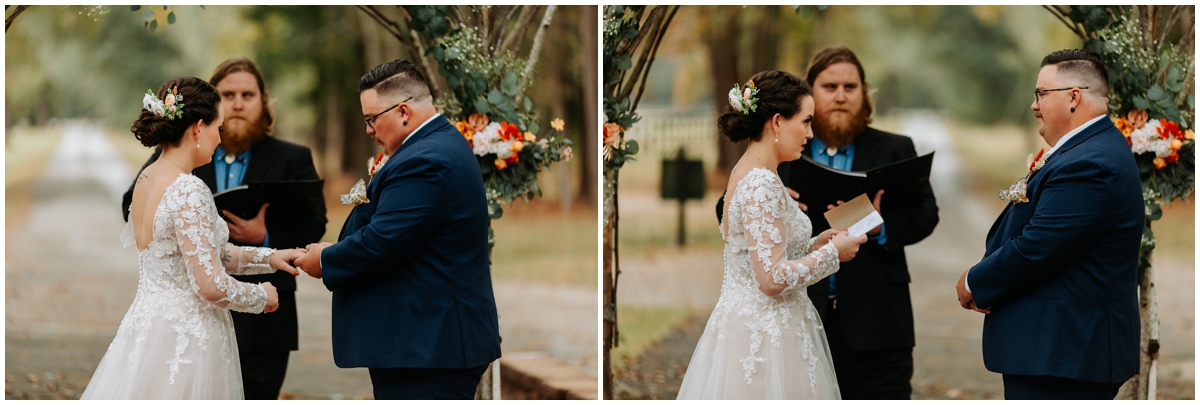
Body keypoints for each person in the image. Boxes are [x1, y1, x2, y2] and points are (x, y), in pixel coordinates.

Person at [82, 77, 306, 399]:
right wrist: (262, 298)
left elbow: (202, 253)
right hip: (186, 337)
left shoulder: (148, 178)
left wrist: (268, 257)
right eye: (218, 128)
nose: (219, 139)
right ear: (199, 127)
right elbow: (210, 284)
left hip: (148, 327)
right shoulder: (188, 188)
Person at [291, 60, 501, 400]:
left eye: (371, 119)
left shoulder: (426, 160)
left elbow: (383, 242)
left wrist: (326, 259)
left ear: (403, 111)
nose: (368, 130)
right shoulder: (434, 145)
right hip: (423, 344)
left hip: (429, 348)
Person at [955, 49, 1142, 400]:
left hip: (1065, 354)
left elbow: (1038, 247)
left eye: (1041, 94)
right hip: (1059, 351)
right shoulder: (1090, 150)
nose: (1033, 105)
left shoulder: (1090, 163)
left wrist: (974, 281)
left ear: (1074, 97)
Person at [677, 70, 867, 400]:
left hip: (759, 323)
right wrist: (834, 254)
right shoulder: (761, 183)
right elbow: (771, 278)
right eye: (805, 122)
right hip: (764, 335)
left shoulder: (752, 172)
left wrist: (815, 243)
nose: (810, 133)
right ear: (777, 122)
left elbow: (763, 255)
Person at [784, 46, 939, 400]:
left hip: (880, 323)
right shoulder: (784, 149)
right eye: (830, 87)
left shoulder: (896, 148)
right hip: (802, 319)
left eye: (850, 87)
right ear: (809, 93)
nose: (841, 96)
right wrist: (776, 204)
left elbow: (927, 213)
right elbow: (728, 208)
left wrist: (881, 227)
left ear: (863, 93)